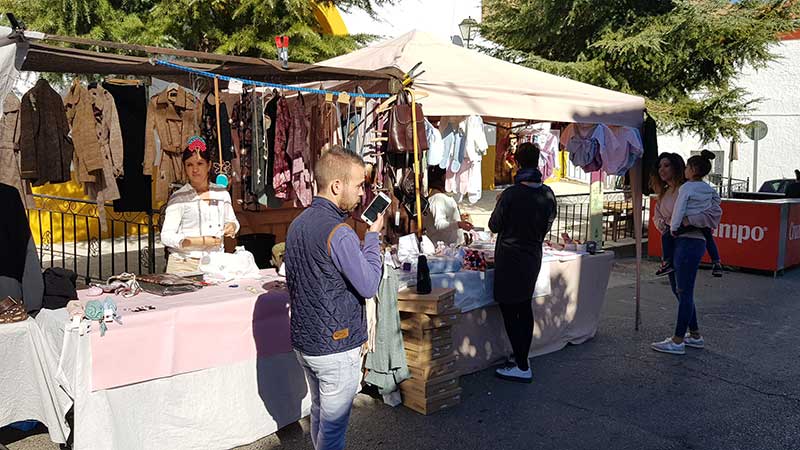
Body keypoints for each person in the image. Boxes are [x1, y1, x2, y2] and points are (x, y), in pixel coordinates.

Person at [284, 147, 384, 450]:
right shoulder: (339, 232)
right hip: (335, 345)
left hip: (307, 342)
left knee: (320, 415)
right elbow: (368, 285)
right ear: (337, 185)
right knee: (333, 433)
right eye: (359, 185)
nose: (362, 193)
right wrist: (373, 237)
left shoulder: (297, 223)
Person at [488, 142, 557, 383]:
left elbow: (494, 226)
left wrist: (500, 204)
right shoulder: (547, 193)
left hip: (510, 257)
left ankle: (521, 363)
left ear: (516, 162)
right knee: (524, 307)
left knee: (510, 308)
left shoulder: (511, 194)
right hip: (532, 255)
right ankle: (521, 359)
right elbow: (548, 223)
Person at [650, 153, 721, 355]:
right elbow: (658, 218)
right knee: (678, 290)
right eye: (659, 166)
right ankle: (695, 335)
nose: (662, 170)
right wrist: (664, 224)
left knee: (684, 291)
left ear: (678, 167)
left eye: (666, 165)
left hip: (690, 240)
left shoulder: (690, 189)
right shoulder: (664, 193)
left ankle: (678, 340)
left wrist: (688, 220)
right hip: (673, 243)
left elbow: (714, 213)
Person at [160, 136, 239, 274]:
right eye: (190, 165)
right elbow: (166, 236)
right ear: (184, 167)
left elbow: (232, 221)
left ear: (208, 166)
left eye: (200, 164)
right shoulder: (179, 198)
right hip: (184, 264)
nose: (195, 169)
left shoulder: (221, 193)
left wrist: (231, 227)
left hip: (215, 263)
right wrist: (199, 242)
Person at [657, 150, 724, 278]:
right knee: (709, 238)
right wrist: (703, 207)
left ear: (693, 170)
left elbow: (679, 208)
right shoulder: (707, 187)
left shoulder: (686, 188)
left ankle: (666, 262)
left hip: (686, 225)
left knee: (666, 236)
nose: (685, 169)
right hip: (701, 226)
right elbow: (717, 200)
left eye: (687, 167)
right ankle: (716, 262)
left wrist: (674, 227)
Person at [422, 166, 472, 246]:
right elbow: (439, 224)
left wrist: (458, 218)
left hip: (452, 249)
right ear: (442, 178)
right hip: (444, 250)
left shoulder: (443, 196)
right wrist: (459, 224)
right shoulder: (437, 198)